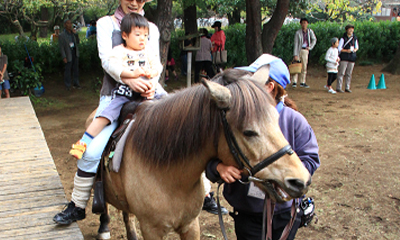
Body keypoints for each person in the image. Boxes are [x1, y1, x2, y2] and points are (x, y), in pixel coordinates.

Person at [53, 0, 164, 225]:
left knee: (186, 122)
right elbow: (107, 61)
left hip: (149, 90)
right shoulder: (105, 24)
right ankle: (78, 204)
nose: (134, 3)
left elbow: (156, 62)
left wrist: (150, 83)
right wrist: (130, 80)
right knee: (93, 152)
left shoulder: (151, 28)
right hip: (117, 94)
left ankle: (205, 192)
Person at [206, 54, 320, 240]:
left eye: (253, 81)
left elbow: (310, 158)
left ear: (269, 87)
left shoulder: (294, 120)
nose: (246, 85)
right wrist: (218, 168)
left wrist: (282, 176)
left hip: (284, 212)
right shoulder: (239, 118)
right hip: (247, 213)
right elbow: (211, 154)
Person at [69, 13, 163, 159]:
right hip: (125, 92)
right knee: (107, 114)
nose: (142, 39)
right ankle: (84, 142)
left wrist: (152, 76)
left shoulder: (147, 51)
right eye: (138, 34)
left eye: (145, 35)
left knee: (171, 105)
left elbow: (158, 65)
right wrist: (131, 74)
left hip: (147, 90)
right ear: (124, 35)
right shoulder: (120, 50)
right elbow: (111, 66)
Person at [292, 18, 317, 88]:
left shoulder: (310, 32)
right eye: (302, 23)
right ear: (300, 24)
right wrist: (295, 54)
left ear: (307, 24)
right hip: (299, 50)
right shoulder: (298, 32)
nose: (304, 24)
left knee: (304, 66)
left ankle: (302, 81)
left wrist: (310, 47)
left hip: (305, 50)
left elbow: (314, 39)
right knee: (296, 65)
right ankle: (294, 81)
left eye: (305, 23)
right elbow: (296, 43)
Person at [59, 19, 80, 91]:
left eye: (70, 23)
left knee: (76, 69)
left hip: (74, 52)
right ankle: (67, 85)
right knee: (68, 70)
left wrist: (76, 34)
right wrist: (64, 56)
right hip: (68, 54)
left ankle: (76, 83)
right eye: (68, 23)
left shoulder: (73, 33)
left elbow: (78, 42)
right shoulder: (62, 35)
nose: (70, 25)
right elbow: (61, 47)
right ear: (65, 25)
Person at [336, 24, 358, 93]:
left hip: (352, 57)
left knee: (349, 73)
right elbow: (339, 48)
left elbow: (357, 47)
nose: (351, 30)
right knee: (342, 73)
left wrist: (354, 50)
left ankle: (347, 87)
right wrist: (346, 51)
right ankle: (339, 87)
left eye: (352, 29)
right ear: (346, 30)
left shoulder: (355, 38)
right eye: (349, 29)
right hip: (344, 57)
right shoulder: (343, 38)